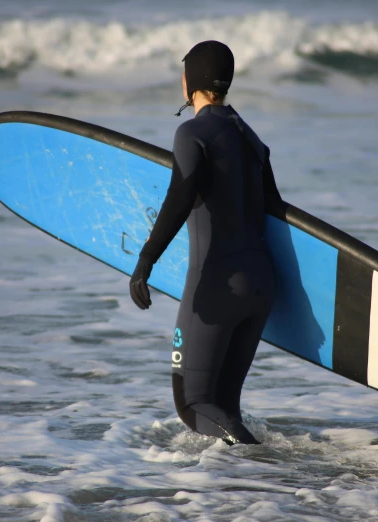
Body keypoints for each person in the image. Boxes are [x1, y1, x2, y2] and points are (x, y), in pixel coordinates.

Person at [129, 40, 283, 445]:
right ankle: (241, 494)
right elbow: (276, 217)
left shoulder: (192, 133)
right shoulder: (252, 141)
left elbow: (180, 198)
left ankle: (265, 467)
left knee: (193, 404)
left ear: (190, 81)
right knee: (224, 407)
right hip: (261, 284)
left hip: (217, 284)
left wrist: (145, 262)